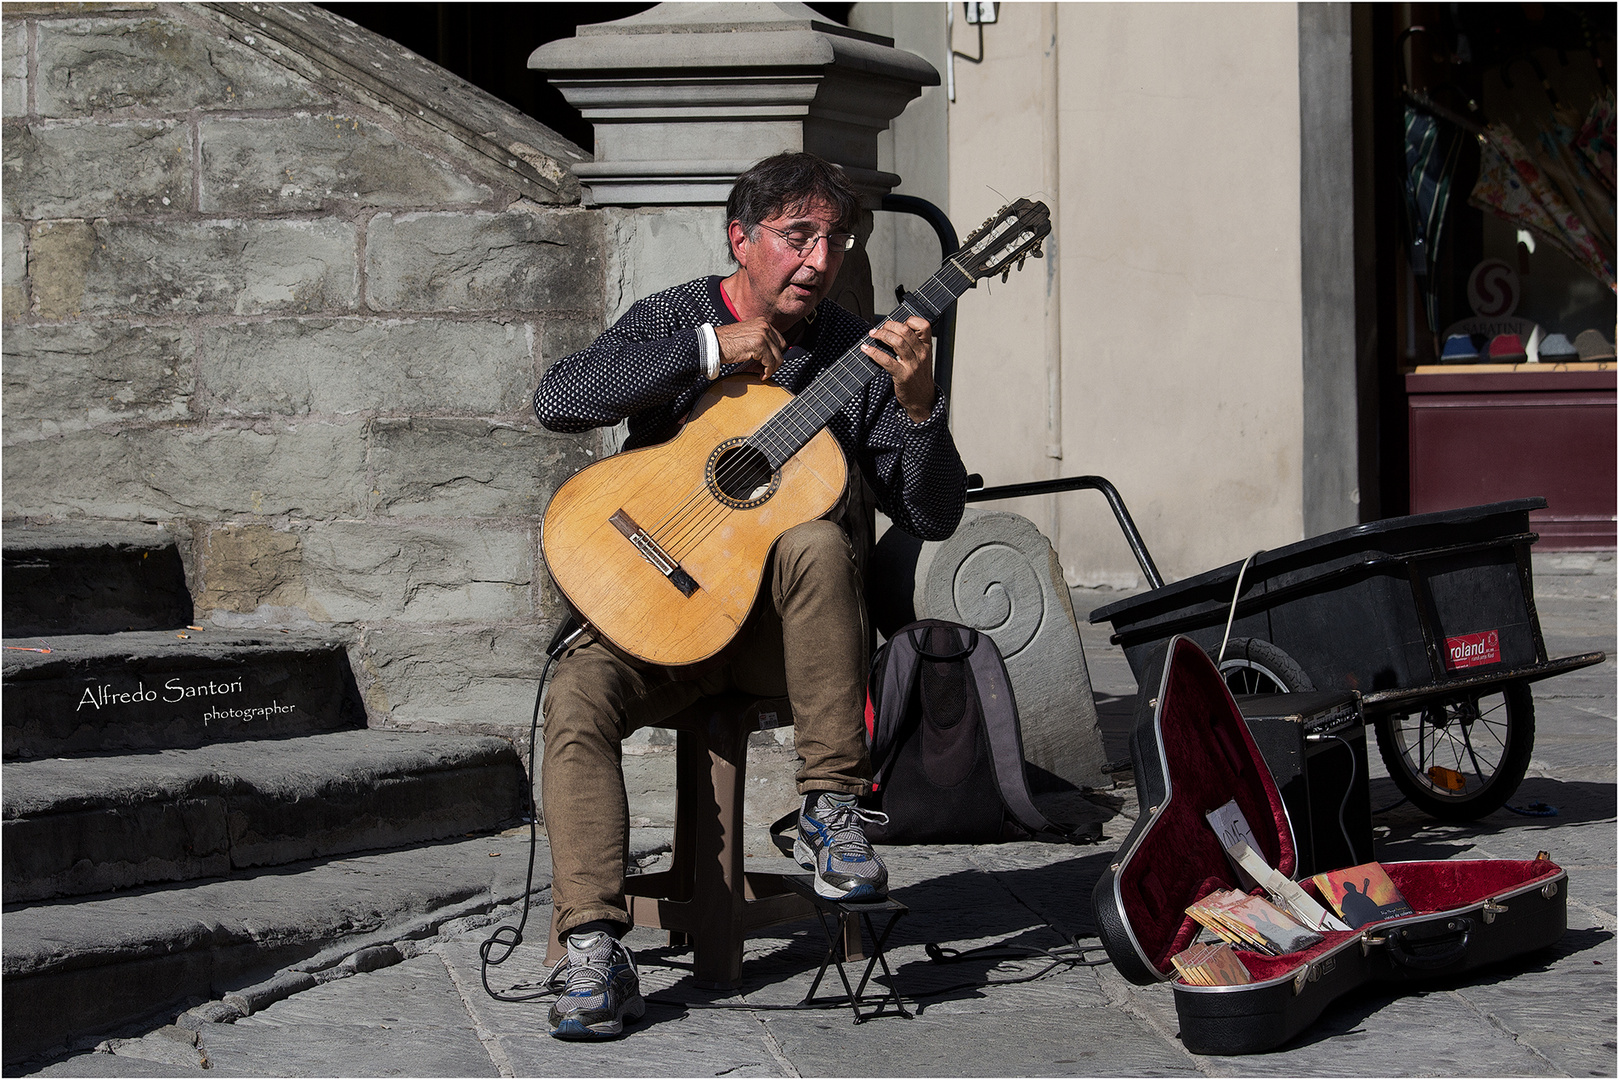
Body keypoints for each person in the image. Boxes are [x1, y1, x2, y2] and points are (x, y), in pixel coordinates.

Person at [531, 151, 967, 1039]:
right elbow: (560, 398)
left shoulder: (855, 351)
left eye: (835, 241)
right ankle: (591, 951)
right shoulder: (673, 317)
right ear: (742, 237)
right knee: (575, 694)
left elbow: (932, 511)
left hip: (787, 643)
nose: (818, 260)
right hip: (668, 622)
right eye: (797, 236)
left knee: (811, 536)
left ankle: (831, 809)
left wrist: (919, 408)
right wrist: (701, 351)